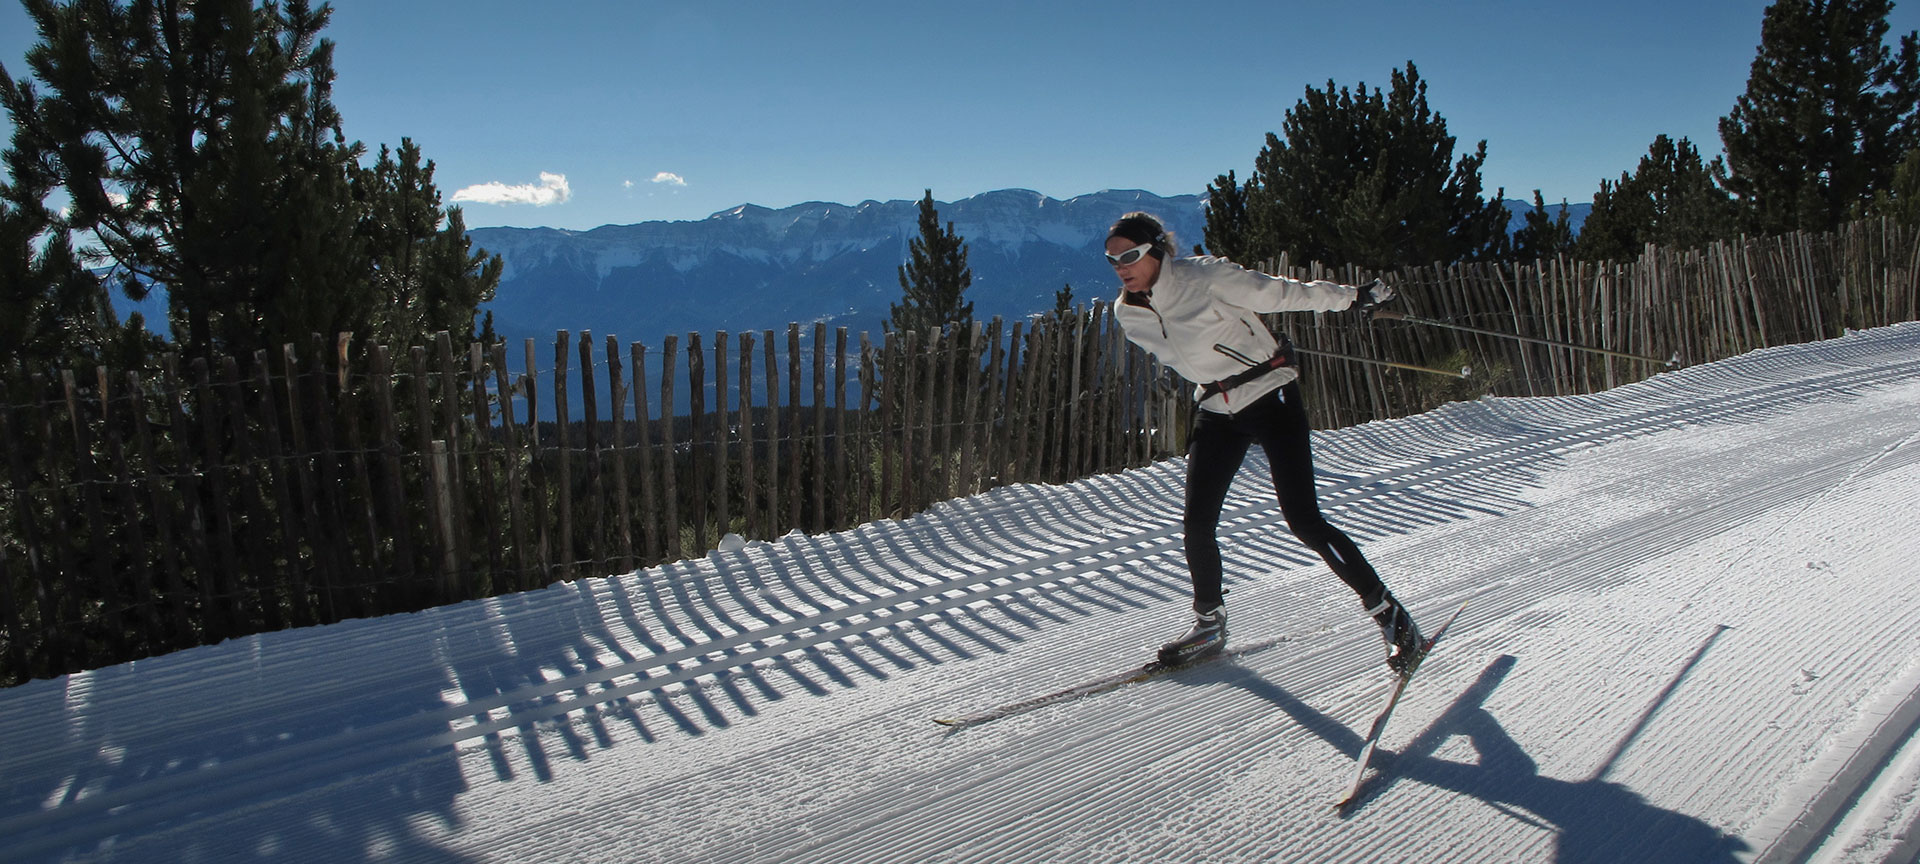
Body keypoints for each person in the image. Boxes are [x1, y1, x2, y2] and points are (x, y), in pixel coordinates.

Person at [1104, 211, 1423, 675]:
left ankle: (1392, 618)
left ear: (1156, 250)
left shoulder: (1206, 277)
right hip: (1216, 408)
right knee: (1197, 523)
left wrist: (1353, 298)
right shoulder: (1128, 313)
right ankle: (1209, 624)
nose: (1121, 267)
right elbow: (1186, 357)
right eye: (1112, 260)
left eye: (1129, 255)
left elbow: (1282, 292)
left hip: (1269, 394)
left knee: (1304, 520)